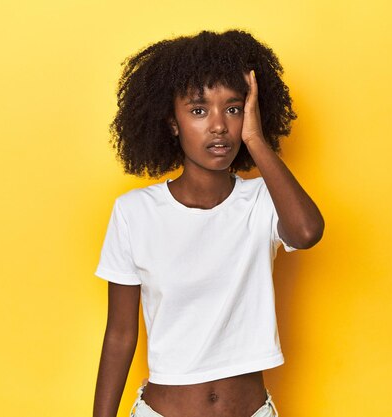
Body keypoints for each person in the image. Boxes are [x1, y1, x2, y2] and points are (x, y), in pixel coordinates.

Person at [93, 29, 324, 417]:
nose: (218, 126)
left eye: (233, 109)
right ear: (172, 123)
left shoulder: (263, 201)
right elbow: (120, 334)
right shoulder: (134, 212)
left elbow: (306, 232)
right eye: (199, 111)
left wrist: (255, 139)